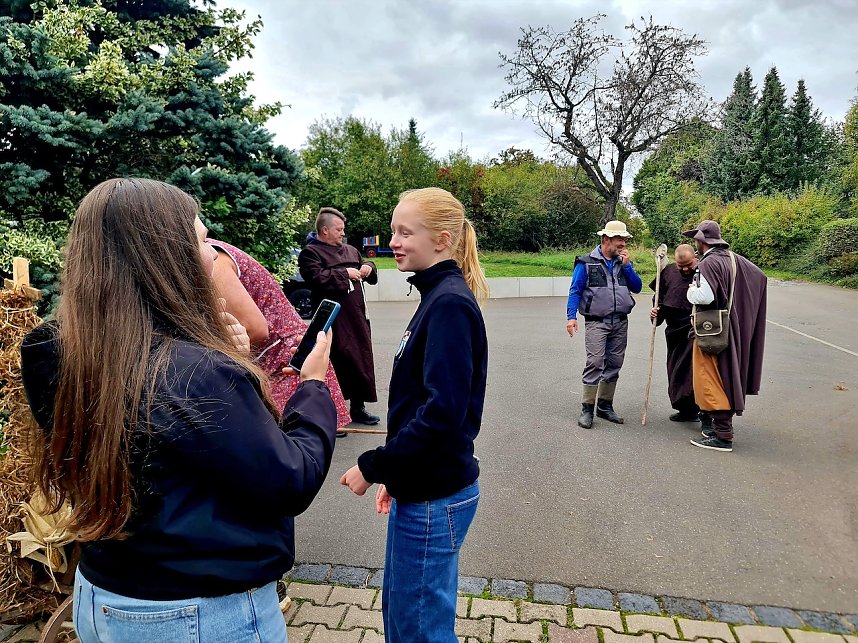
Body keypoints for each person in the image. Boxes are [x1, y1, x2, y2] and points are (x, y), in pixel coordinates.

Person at [20, 178, 338, 642]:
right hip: (197, 614)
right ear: (163, 256)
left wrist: (220, 355)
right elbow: (291, 479)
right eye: (202, 239)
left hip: (102, 593)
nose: (213, 253)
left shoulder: (50, 349)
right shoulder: (197, 374)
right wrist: (312, 387)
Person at [340, 187, 489, 643]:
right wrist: (399, 475)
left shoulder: (447, 304)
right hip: (422, 487)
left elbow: (442, 414)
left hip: (434, 496)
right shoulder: (436, 297)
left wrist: (374, 465)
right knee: (406, 617)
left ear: (443, 240)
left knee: (417, 629)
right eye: (392, 232)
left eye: (406, 232)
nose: (394, 242)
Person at [206, 237, 353, 433]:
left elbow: (254, 328)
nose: (211, 250)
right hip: (277, 364)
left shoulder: (213, 260)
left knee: (293, 451)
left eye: (201, 238)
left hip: (285, 364)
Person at [684, 220, 767, 452]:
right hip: (732, 328)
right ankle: (716, 428)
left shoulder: (709, 262)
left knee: (708, 378)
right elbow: (760, 277)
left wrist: (690, 290)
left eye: (696, 239)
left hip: (712, 331)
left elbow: (704, 296)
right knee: (725, 374)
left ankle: (722, 435)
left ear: (701, 241)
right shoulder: (734, 259)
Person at [298, 207, 381, 425]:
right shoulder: (311, 253)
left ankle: (358, 407)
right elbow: (316, 278)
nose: (342, 233)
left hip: (357, 316)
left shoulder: (351, 250)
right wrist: (345, 273)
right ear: (325, 230)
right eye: (339, 229)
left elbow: (366, 264)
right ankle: (332, 413)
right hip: (332, 318)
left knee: (360, 358)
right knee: (334, 361)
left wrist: (367, 268)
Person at [566, 220, 642, 429]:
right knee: (595, 362)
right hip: (596, 322)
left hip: (620, 322)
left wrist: (628, 268)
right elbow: (575, 291)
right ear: (607, 239)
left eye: (625, 240)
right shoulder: (586, 262)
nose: (623, 244)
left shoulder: (623, 262)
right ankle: (587, 409)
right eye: (620, 239)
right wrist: (571, 317)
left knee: (615, 363)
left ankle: (605, 406)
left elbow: (637, 287)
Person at [649, 244, 700, 422]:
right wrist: (656, 312)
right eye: (681, 266)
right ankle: (685, 410)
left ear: (696, 257)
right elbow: (659, 297)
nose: (685, 269)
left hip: (695, 329)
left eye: (688, 265)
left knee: (693, 372)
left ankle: (700, 410)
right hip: (674, 331)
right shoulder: (669, 272)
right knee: (675, 370)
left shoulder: (704, 271)